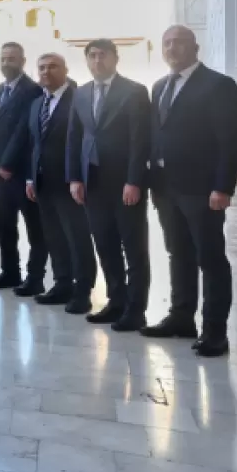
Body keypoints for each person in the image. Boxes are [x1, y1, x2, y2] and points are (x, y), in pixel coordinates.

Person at [143, 25, 237, 357]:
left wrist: (223, 187)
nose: (172, 48)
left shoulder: (218, 85)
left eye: (179, 42)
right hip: (166, 188)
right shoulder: (160, 86)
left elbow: (231, 141)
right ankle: (181, 317)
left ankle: (215, 332)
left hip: (202, 190)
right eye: (167, 43)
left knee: (210, 259)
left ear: (195, 47)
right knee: (178, 253)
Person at [67, 38, 152, 331]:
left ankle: (136, 310)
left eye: (103, 55)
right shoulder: (80, 93)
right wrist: (74, 177)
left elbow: (140, 140)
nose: (97, 60)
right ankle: (116, 302)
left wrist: (134, 180)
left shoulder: (134, 91)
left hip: (124, 183)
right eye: (92, 55)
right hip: (93, 182)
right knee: (105, 244)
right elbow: (74, 138)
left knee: (134, 248)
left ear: (116, 58)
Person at [25, 53, 94, 314]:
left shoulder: (79, 98)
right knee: (54, 237)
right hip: (43, 182)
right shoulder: (37, 103)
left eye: (53, 66)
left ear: (66, 69)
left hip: (69, 183)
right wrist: (30, 177)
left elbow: (82, 141)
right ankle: (62, 283)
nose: (46, 71)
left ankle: (83, 290)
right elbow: (34, 144)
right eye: (41, 67)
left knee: (77, 238)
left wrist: (77, 177)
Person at [0, 42, 44, 293]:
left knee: (34, 229)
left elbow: (24, 132)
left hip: (21, 172)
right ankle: (10, 272)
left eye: (12, 59)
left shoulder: (33, 90)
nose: (7, 63)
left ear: (22, 61)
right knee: (5, 226)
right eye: (3, 59)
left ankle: (35, 278)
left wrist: (7, 164)